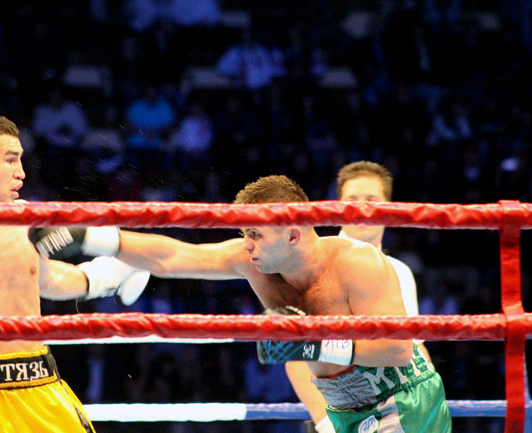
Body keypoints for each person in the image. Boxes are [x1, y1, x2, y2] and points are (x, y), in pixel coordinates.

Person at [30, 174, 452, 432]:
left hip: (401, 400)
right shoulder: (254, 262)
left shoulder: (357, 262)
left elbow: (398, 349)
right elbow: (173, 256)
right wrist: (93, 236)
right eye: (244, 233)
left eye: (255, 234)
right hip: (343, 407)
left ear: (293, 233)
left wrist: (312, 345)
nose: (246, 245)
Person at [0, 112, 150, 432]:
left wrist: (106, 276)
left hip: (42, 385)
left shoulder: (23, 220)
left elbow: (43, 278)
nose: (21, 173)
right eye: (10, 160)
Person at [288, 160, 432, 433]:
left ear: (388, 208)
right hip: (337, 413)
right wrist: (327, 425)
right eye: (352, 200)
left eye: (371, 200)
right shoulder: (313, 265)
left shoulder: (400, 272)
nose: (361, 208)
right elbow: (297, 354)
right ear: (338, 206)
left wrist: (429, 407)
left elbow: (414, 349)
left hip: (394, 414)